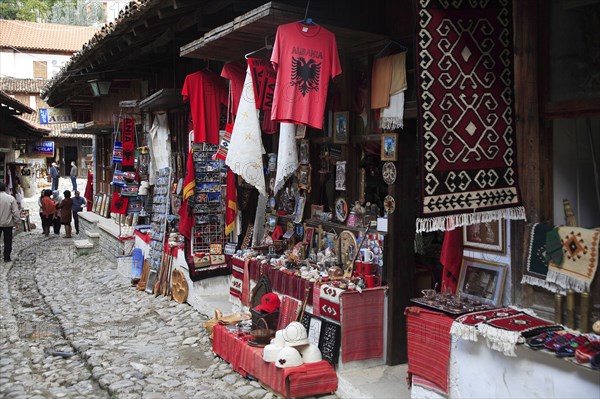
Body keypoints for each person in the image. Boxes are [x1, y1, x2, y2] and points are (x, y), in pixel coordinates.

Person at [0, 182, 20, 262]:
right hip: (8, 223)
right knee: (8, 241)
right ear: (5, 188)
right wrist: (17, 221)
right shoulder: (10, 198)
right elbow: (15, 211)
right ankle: (7, 257)